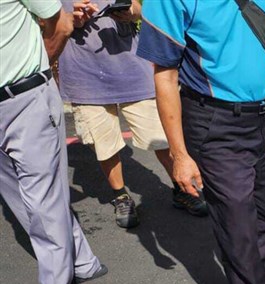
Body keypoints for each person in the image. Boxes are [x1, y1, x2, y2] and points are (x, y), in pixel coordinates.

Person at [136, 0, 265, 284]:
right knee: (236, 216)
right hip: (213, 121)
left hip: (262, 116)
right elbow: (165, 76)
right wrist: (179, 155)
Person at [56, 0, 209, 229]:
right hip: (84, 74)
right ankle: (121, 196)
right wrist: (71, 18)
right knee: (104, 141)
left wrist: (129, 12)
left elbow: (141, 10)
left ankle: (181, 187)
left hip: (131, 66)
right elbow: (42, 23)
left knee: (160, 135)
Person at [0, 0, 105, 284]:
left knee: (41, 197)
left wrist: (39, 70)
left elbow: (60, 22)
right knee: (17, 194)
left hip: (24, 98)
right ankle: (83, 260)